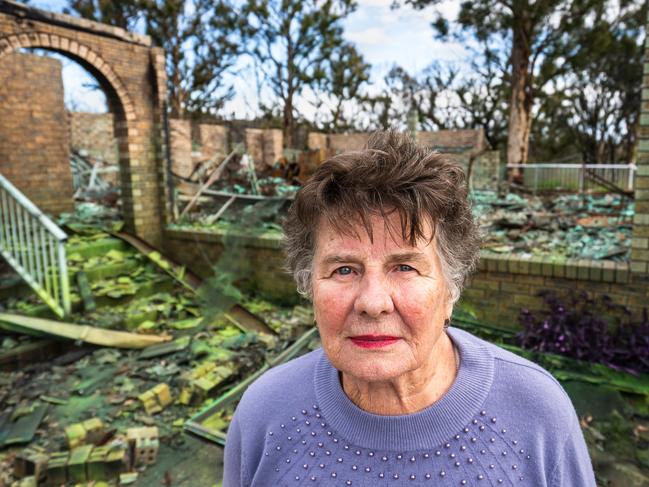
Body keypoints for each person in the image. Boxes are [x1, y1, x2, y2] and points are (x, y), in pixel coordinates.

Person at [223, 130, 596, 486]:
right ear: (308, 285)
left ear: (451, 288)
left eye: (404, 267)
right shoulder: (263, 413)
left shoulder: (538, 414)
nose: (372, 303)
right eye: (343, 269)